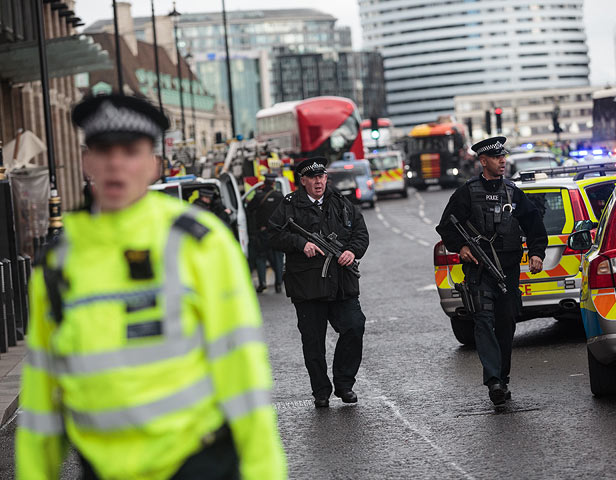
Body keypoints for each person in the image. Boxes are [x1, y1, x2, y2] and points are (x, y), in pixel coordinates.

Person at [16, 94, 286, 479]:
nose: (115, 163)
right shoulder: (58, 262)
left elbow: (243, 377)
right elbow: (42, 399)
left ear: (153, 165)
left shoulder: (201, 244)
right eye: (104, 149)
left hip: (197, 464)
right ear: (85, 160)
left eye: (130, 150)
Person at [435, 136, 548, 409]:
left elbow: (534, 225)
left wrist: (536, 253)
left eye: (503, 157)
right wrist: (461, 246)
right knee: (483, 323)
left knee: (506, 324)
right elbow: (446, 227)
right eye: (497, 158)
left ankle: (503, 378)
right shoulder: (466, 192)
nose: (502, 161)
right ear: (483, 161)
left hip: (508, 273)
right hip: (479, 272)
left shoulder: (513, 192)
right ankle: (494, 381)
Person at [268, 157, 369, 408]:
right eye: (312, 178)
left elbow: (360, 233)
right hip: (307, 286)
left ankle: (344, 384)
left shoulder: (341, 203)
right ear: (303, 181)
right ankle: (321, 390)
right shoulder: (289, 205)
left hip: (342, 284)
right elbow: (273, 234)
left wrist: (352, 252)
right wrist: (301, 244)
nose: (318, 182)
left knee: (354, 327)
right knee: (313, 342)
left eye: (321, 177)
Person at [246, 173, 284, 293]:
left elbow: (249, 209)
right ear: (273, 183)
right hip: (276, 232)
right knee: (278, 258)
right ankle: (278, 284)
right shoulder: (279, 196)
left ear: (264, 183)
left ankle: (262, 283)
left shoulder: (258, 196)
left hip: (262, 232)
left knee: (261, 257)